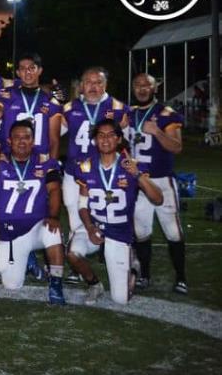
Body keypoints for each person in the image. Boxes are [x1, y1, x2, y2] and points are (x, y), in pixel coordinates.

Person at [67, 119, 163, 305]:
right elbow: (82, 204)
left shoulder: (131, 165)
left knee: (121, 299)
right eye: (101, 135)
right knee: (72, 253)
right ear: (95, 140)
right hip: (94, 226)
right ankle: (94, 284)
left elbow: (158, 199)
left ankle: (133, 266)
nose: (105, 139)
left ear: (119, 139)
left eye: (111, 135)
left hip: (119, 233)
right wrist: (88, 227)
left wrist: (137, 175)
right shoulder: (86, 166)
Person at [0, 120, 66, 304]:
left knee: (53, 231)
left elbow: (54, 190)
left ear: (33, 140)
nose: (22, 142)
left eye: (26, 137)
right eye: (17, 138)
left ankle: (56, 283)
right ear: (9, 141)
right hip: (10, 235)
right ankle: (28, 259)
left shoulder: (45, 162)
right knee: (12, 285)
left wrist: (53, 216)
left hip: (36, 228)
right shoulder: (0, 160)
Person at [61, 66, 128, 282]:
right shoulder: (70, 107)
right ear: (81, 85)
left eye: (98, 82)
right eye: (88, 82)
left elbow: (126, 142)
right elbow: (53, 133)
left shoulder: (117, 107)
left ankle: (112, 252)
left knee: (108, 213)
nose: (93, 87)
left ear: (105, 85)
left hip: (104, 174)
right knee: (74, 214)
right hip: (74, 171)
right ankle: (77, 261)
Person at [128, 73, 187, 294]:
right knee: (142, 232)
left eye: (147, 85)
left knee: (172, 232)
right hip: (138, 181)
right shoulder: (130, 113)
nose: (142, 89)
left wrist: (157, 132)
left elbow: (176, 147)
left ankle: (181, 277)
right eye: (138, 85)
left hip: (162, 180)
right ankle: (145, 275)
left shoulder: (166, 114)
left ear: (155, 88)